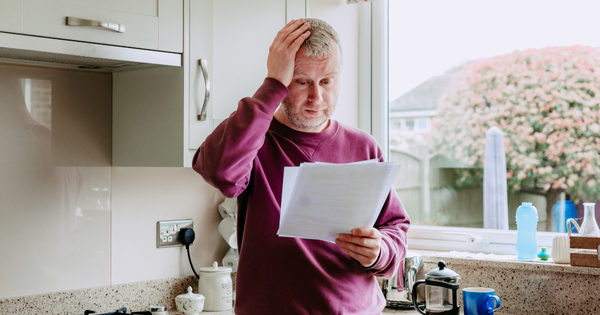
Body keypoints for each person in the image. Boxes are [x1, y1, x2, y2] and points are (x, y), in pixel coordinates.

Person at [193, 18, 410, 315]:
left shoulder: (365, 147)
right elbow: (219, 171)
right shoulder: (256, 140)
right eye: (302, 81)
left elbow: (395, 229)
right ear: (282, 80)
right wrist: (271, 86)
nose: (316, 97)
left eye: (327, 81)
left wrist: (380, 251)